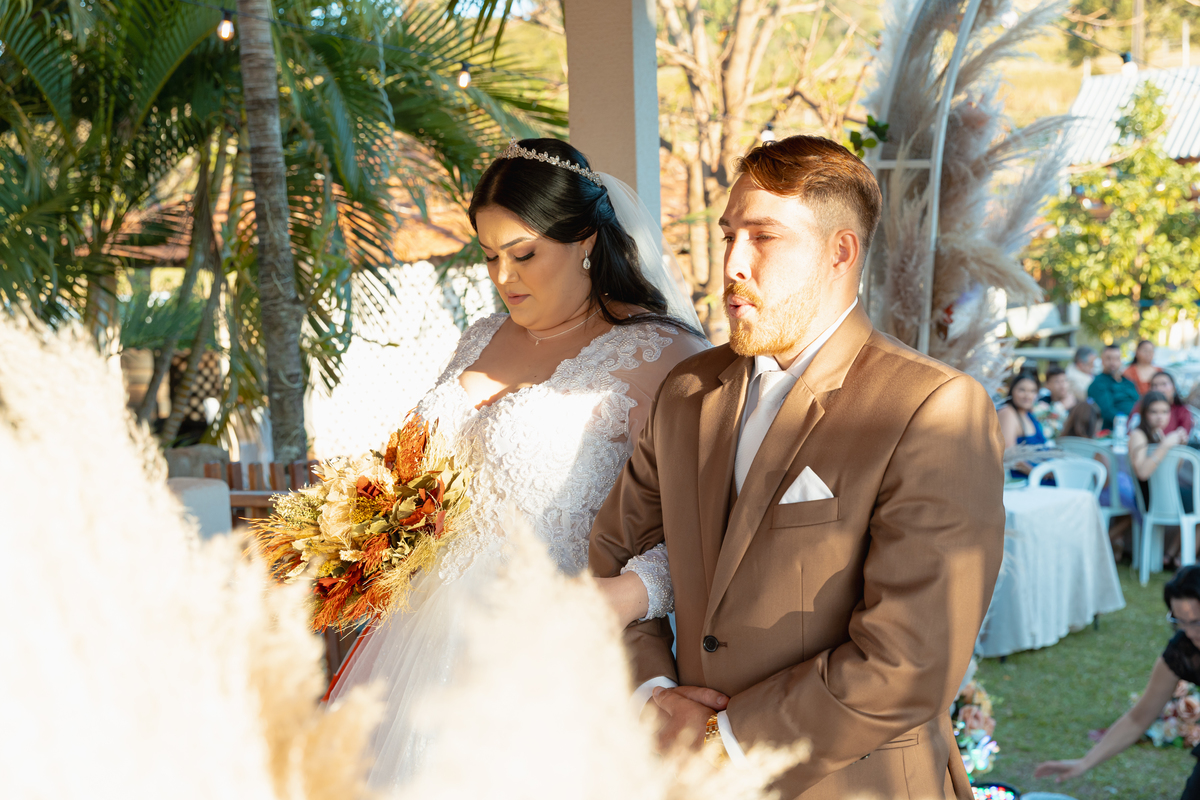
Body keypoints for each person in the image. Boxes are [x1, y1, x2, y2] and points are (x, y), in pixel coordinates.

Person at [589, 134, 1004, 800]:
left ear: (840, 251)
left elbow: (911, 657)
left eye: (764, 237)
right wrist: (653, 695)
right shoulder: (688, 390)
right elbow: (617, 553)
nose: (732, 264)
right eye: (729, 236)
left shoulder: (934, 408)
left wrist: (723, 742)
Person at [326, 138, 709, 790]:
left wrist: (625, 595)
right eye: (489, 255)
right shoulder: (481, 336)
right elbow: (412, 477)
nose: (503, 277)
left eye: (523, 254)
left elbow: (701, 524)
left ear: (586, 239)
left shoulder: (660, 353)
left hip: (549, 653)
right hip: (419, 646)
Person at [1035, 565, 1200, 799]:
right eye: (1180, 622)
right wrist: (1085, 762)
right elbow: (1137, 718)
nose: (1191, 632)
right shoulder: (1184, 650)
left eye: (1197, 622)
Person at [1061, 400, 1137, 559]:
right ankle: (1103, 543)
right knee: (1135, 507)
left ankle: (1115, 543)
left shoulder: (1062, 442)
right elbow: (1106, 481)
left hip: (1068, 492)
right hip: (1094, 493)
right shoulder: (1096, 448)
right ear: (1095, 423)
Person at [999, 371, 1046, 476]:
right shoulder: (1008, 412)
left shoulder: (1028, 414)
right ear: (1012, 391)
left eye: (1032, 391)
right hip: (1023, 477)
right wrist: (1038, 474)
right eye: (1022, 390)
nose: (1027, 396)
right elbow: (1009, 455)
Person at [1089, 344, 1141, 430]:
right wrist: (1128, 423)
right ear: (1102, 360)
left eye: (1116, 359)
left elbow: (1139, 403)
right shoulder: (1098, 384)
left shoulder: (1129, 382)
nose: (1113, 363)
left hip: (1136, 425)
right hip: (1115, 429)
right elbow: (1107, 411)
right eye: (1108, 358)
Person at [1133, 371, 1194, 438]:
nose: (1159, 389)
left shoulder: (1182, 410)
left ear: (1173, 387)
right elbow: (1131, 429)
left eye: (1164, 384)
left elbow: (1184, 436)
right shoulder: (1141, 406)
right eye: (1154, 385)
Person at [1034, 365, 1076, 440]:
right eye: (1057, 382)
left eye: (1064, 381)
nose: (1062, 385)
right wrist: (1062, 406)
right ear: (1047, 385)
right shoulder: (1042, 403)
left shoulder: (1076, 404)